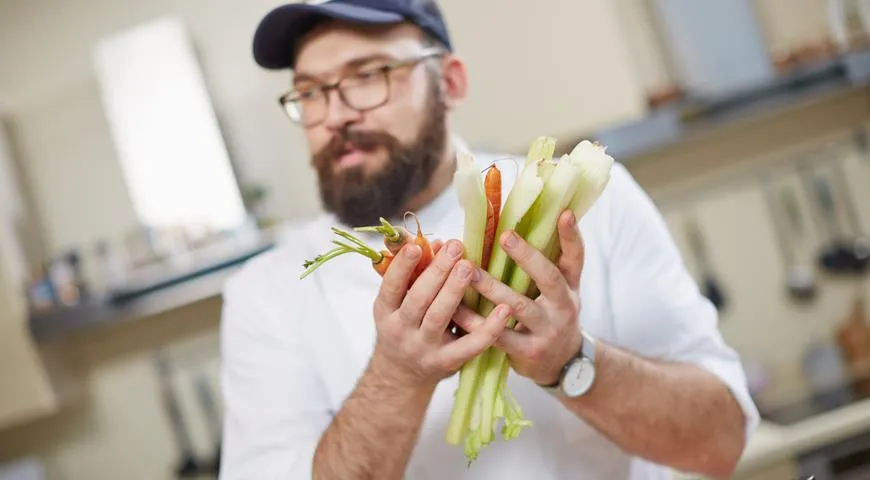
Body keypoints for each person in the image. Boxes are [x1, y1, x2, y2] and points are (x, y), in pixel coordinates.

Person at [219, 1, 760, 479]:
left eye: (368, 75)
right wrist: (396, 375)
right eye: (310, 92)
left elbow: (720, 444)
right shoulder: (265, 294)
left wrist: (572, 361)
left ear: (450, 82)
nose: (334, 115)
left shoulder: (583, 204)